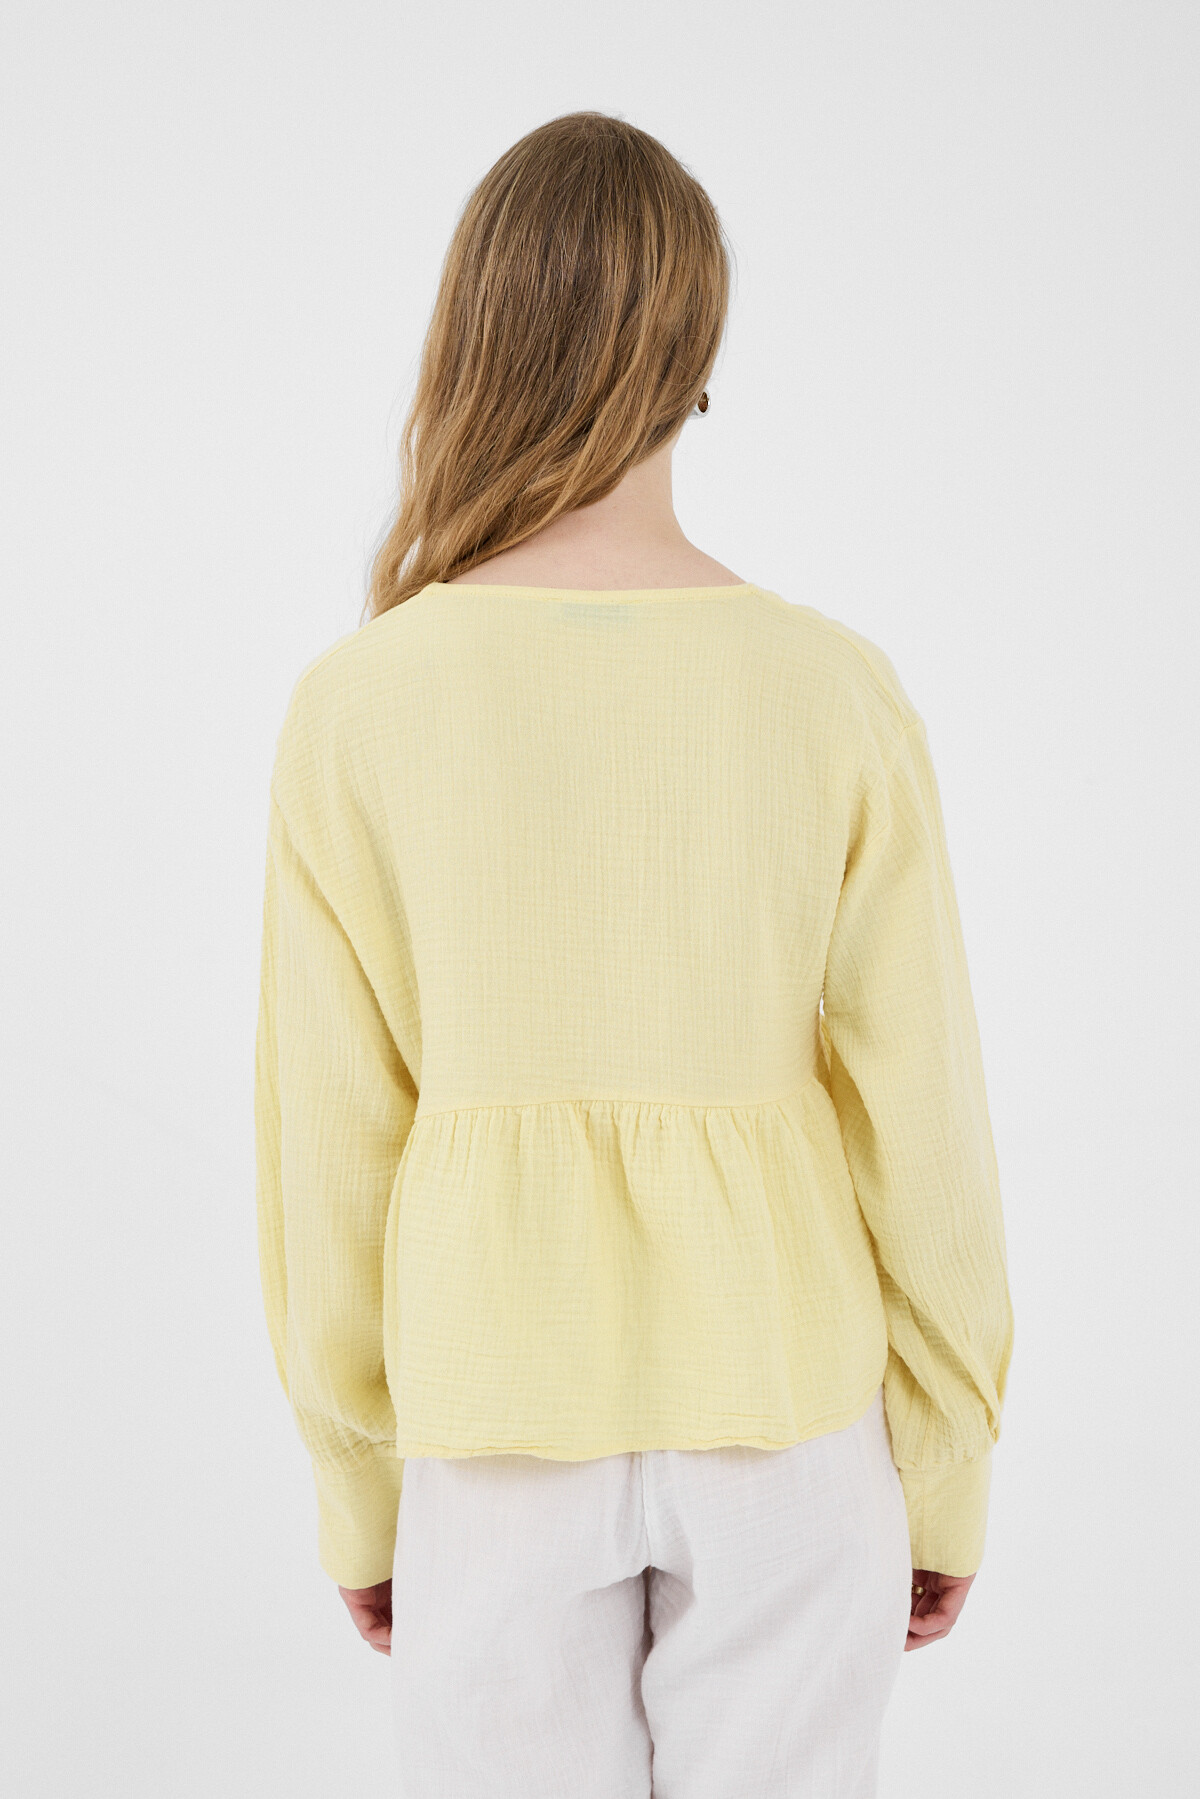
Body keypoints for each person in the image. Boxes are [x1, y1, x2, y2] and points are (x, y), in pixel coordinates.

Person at [254, 110, 1014, 1798]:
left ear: (471, 335)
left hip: (491, 1429)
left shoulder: (359, 706)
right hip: (791, 1421)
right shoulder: (833, 690)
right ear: (699, 353)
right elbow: (928, 1131)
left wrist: (360, 1492)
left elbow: (331, 1149)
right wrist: (946, 1466)